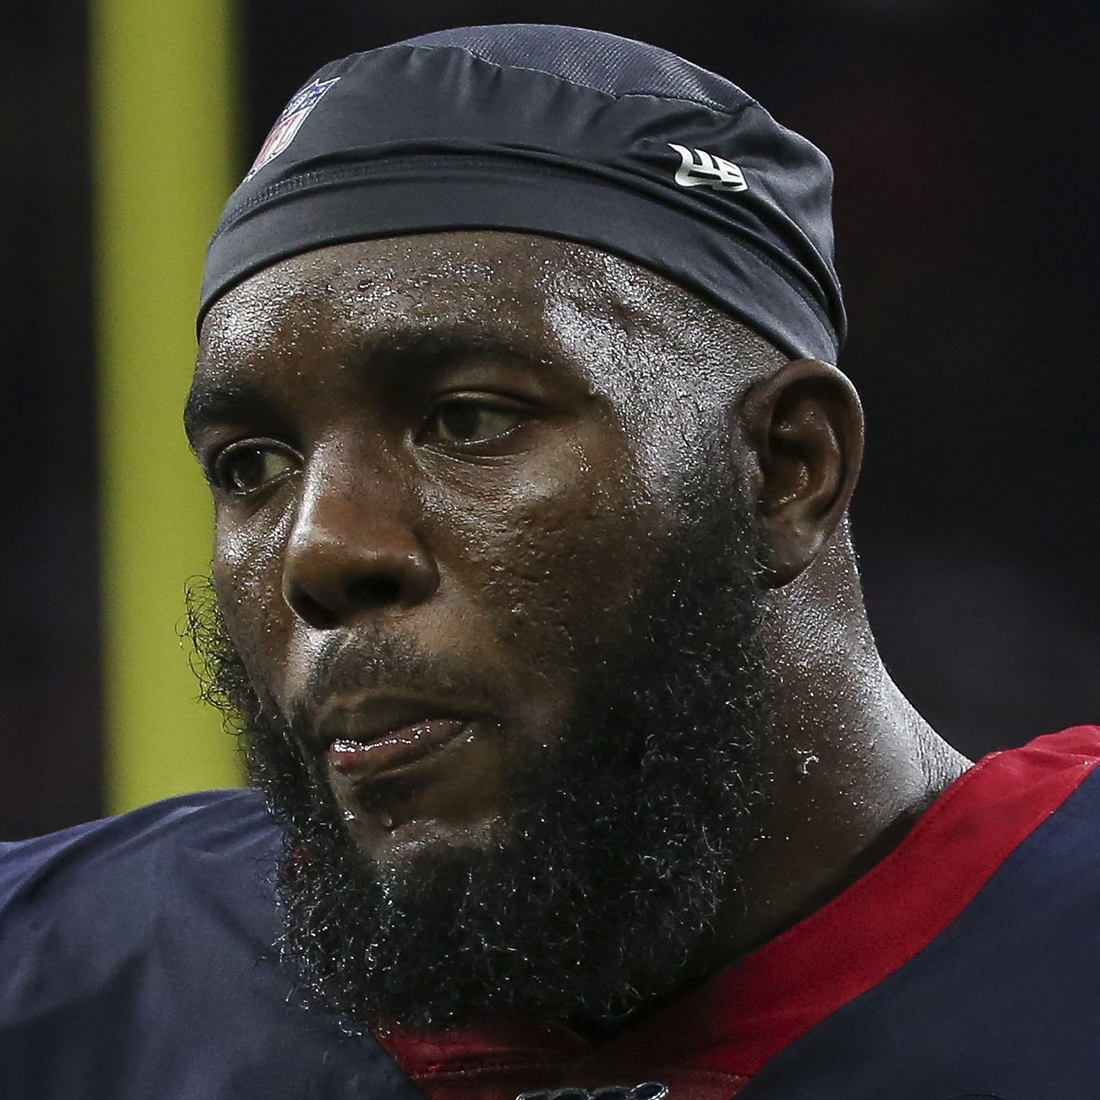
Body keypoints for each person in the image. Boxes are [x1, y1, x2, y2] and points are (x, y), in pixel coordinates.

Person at [2, 23, 1098, 1099]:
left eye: (470, 418)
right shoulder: (65, 974)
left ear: (783, 466)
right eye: (250, 466)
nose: (322, 549)